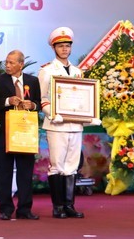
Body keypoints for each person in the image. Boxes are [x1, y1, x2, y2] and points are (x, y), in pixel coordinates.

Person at [38, 27, 100, 219]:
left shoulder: (78, 72)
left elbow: (83, 99)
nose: (64, 49)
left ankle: (69, 205)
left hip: (75, 124)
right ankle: (58, 207)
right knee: (57, 164)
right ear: (54, 48)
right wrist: (52, 113)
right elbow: (43, 98)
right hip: (56, 124)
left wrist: (90, 115)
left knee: (72, 165)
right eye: (61, 46)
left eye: (67, 46)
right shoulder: (47, 70)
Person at [0, 50, 41, 220]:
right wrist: (7, 101)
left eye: (12, 62)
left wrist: (32, 105)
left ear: (21, 64)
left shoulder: (32, 81)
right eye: (6, 62)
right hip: (3, 133)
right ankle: (5, 209)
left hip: (25, 133)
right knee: (3, 172)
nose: (7, 65)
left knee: (25, 172)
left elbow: (39, 104)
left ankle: (25, 209)